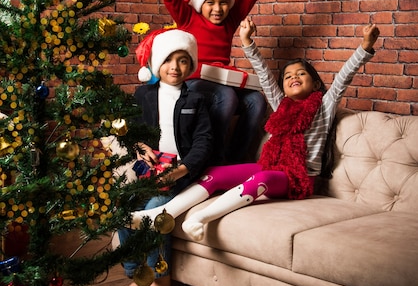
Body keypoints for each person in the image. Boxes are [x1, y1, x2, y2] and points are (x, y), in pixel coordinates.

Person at [130, 18, 380, 240]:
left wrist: (365, 47)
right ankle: (159, 214)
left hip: (298, 179)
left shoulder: (323, 108)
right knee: (216, 173)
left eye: (301, 74)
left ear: (315, 83)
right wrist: (247, 42)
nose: (294, 77)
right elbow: (264, 76)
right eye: (288, 76)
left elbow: (342, 79)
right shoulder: (280, 105)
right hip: (273, 164)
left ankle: (199, 219)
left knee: (262, 179)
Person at [140, 0, 290, 164]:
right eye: (211, 3)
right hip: (194, 81)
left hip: (223, 81)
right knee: (226, 97)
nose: (218, 9)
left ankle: (234, 159)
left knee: (256, 101)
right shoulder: (188, 17)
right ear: (200, 3)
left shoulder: (229, 22)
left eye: (223, 2)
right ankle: (213, 159)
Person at [115, 28, 213, 286]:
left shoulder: (195, 100)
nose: (175, 67)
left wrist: (182, 170)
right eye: (169, 60)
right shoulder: (144, 94)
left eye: (183, 60)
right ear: (157, 63)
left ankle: (161, 279)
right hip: (150, 169)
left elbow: (204, 143)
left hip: (181, 172)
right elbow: (131, 131)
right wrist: (140, 147)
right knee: (124, 207)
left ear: (190, 65)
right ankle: (137, 274)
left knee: (154, 211)